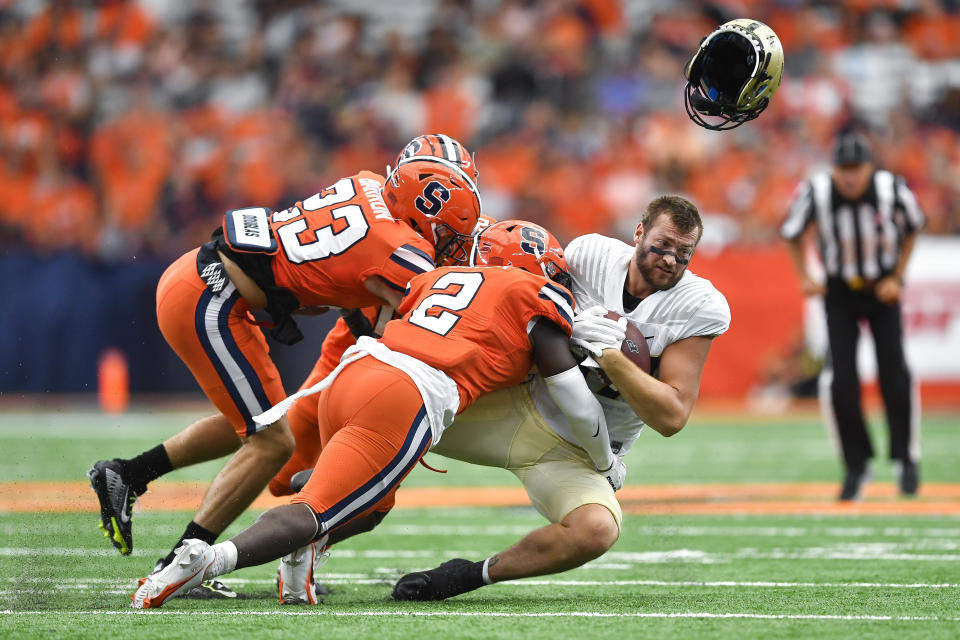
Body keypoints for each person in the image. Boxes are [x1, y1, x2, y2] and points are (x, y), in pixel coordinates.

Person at [131, 220, 626, 609]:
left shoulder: (437, 276)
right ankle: (203, 561)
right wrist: (605, 462)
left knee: (374, 498)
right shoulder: (536, 295)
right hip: (408, 395)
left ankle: (304, 549)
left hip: (353, 373)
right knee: (315, 512)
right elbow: (578, 404)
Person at [266, 196, 728, 603]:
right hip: (513, 401)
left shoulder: (698, 305)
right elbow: (520, 300)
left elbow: (671, 415)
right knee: (397, 400)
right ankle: (335, 485)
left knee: (597, 530)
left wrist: (611, 358)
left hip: (578, 449)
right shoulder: (589, 254)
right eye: (662, 246)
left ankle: (470, 575)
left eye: (683, 254)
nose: (670, 260)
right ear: (638, 233)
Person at [87, 134, 481, 597]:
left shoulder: (368, 183)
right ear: (426, 210)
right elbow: (411, 322)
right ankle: (184, 560)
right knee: (272, 441)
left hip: (205, 279)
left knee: (264, 421)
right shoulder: (402, 251)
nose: (451, 241)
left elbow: (335, 273)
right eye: (448, 230)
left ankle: (129, 474)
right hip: (211, 296)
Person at [781, 131, 924, 501]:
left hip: (882, 289)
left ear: (869, 168)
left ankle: (906, 457)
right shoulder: (817, 191)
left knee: (894, 371)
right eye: (843, 168)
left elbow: (913, 228)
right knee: (841, 380)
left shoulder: (892, 188)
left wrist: (897, 276)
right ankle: (856, 465)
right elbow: (792, 232)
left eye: (856, 168)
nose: (849, 177)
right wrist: (805, 277)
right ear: (833, 169)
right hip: (840, 292)